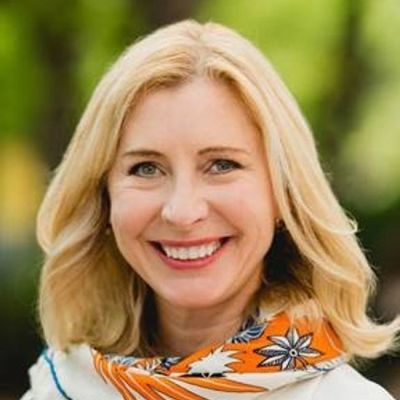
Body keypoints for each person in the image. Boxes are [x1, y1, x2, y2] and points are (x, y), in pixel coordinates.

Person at [21, 20, 399, 400]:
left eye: (222, 165)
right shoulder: (56, 390)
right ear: (103, 198)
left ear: (283, 193)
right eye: (146, 168)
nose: (182, 212)